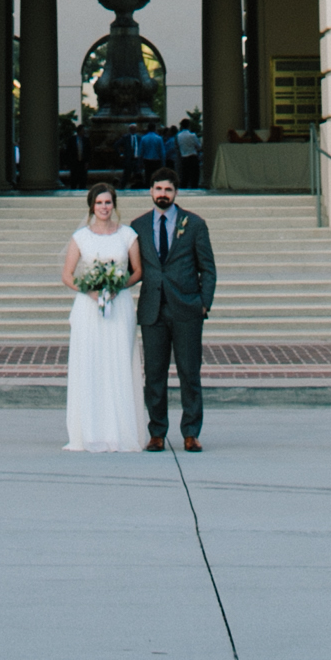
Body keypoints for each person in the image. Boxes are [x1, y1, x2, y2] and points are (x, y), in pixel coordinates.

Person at [60, 178, 145, 453]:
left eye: (108, 202)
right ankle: (89, 431)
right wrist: (90, 290)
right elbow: (67, 275)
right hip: (89, 308)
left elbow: (137, 271)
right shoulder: (81, 237)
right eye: (99, 203)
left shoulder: (127, 235)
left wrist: (118, 286)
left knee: (119, 362)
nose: (104, 207)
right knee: (91, 364)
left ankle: (121, 430)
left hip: (119, 306)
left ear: (114, 205)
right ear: (91, 206)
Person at [133, 168, 216, 452]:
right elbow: (133, 268)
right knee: (154, 375)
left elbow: (208, 268)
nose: (163, 195)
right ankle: (157, 432)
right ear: (151, 192)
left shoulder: (194, 224)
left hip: (186, 310)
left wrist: (203, 303)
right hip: (153, 311)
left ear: (176, 192)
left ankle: (191, 433)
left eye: (168, 190)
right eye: (158, 189)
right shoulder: (138, 226)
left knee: (189, 373)